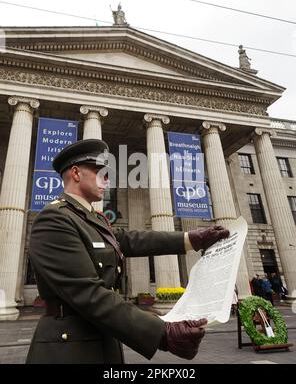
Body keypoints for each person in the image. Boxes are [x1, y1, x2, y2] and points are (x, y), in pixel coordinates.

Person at [26, 139, 230, 364]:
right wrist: (162, 332)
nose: (107, 179)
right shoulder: (55, 218)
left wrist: (192, 239)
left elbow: (131, 240)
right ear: (76, 173)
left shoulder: (92, 218)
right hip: (68, 348)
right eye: (101, 172)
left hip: (102, 338)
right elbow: (87, 293)